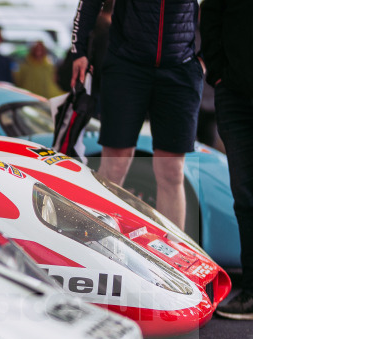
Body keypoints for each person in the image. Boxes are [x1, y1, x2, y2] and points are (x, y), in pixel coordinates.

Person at [70, 0, 205, 231]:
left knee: (172, 170)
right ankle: (98, 241)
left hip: (180, 68)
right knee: (116, 162)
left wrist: (206, 57)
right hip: (127, 66)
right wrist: (79, 50)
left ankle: (170, 259)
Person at [199, 0, 252, 319]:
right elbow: (210, 18)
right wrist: (219, 74)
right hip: (234, 94)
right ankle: (253, 292)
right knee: (246, 194)